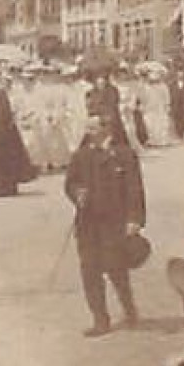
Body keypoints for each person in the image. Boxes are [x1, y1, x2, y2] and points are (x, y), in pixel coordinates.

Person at [64, 109, 147, 337]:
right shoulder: (80, 156)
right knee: (89, 270)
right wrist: (76, 193)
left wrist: (134, 219)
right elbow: (70, 183)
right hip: (88, 224)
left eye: (93, 128)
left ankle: (129, 309)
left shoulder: (124, 154)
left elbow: (135, 190)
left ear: (106, 129)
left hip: (115, 223)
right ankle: (100, 319)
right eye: (87, 128)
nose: (88, 132)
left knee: (116, 268)